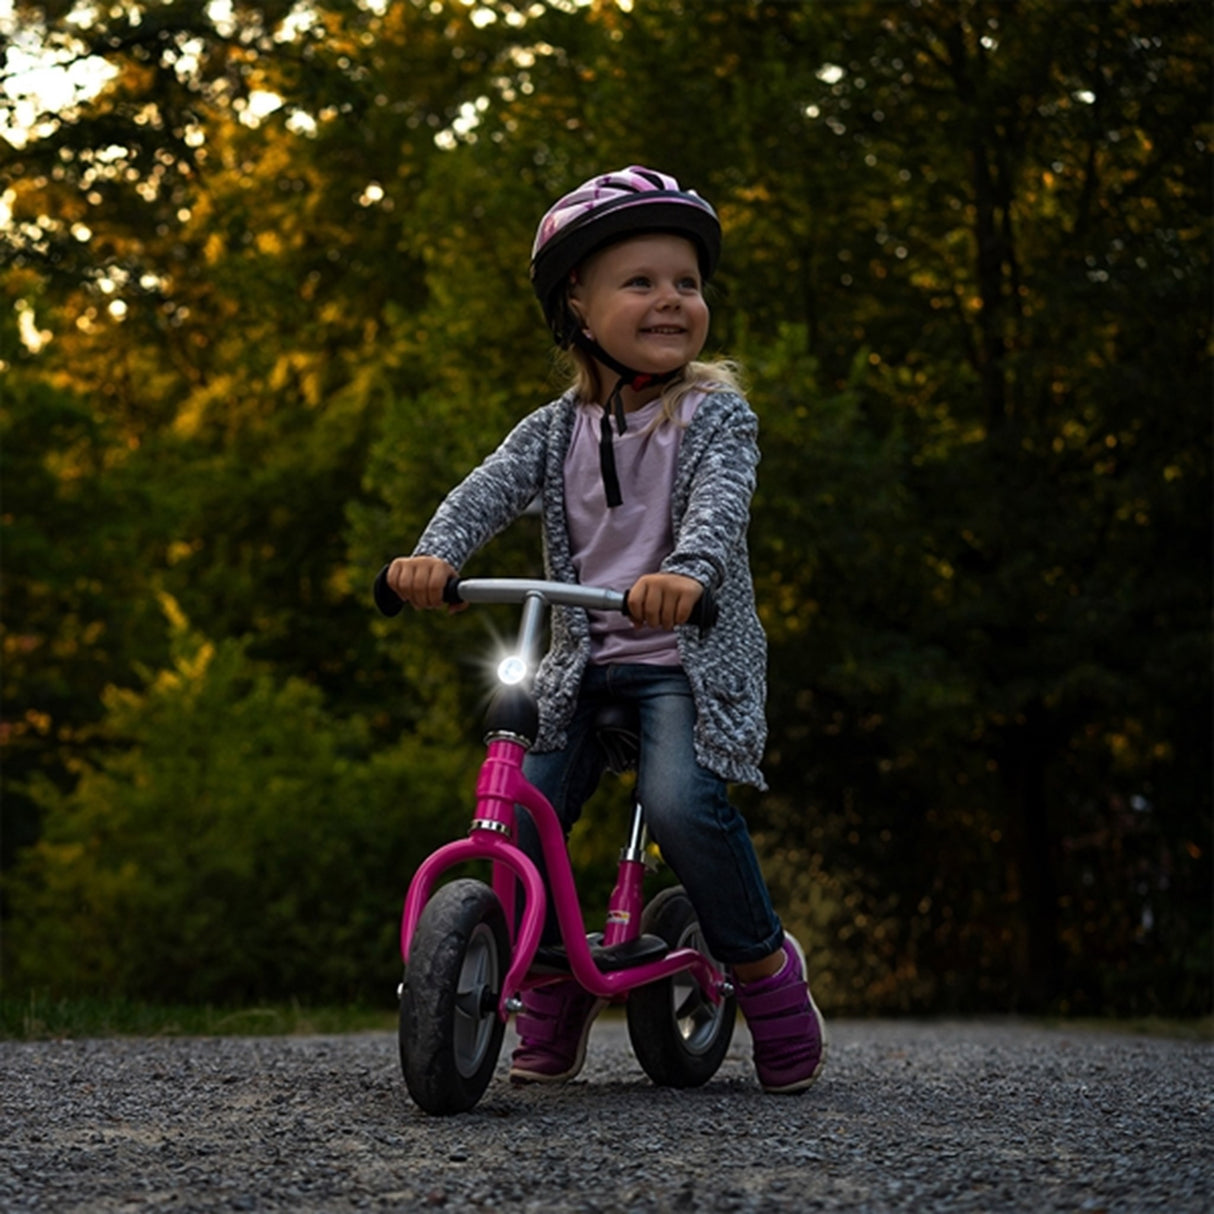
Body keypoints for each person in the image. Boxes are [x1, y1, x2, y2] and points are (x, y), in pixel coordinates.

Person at [385, 166, 826, 1094]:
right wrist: (433, 556)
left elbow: (719, 509)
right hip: (580, 660)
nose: (672, 299)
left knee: (679, 804)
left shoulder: (715, 417)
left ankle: (762, 971)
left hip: (685, 661)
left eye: (688, 283)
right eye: (643, 282)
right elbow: (486, 489)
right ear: (577, 307)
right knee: (520, 802)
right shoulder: (556, 430)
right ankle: (550, 981)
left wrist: (686, 576)